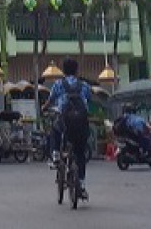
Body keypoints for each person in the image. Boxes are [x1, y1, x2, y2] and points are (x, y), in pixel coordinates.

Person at [44, 57, 91, 200]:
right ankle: (81, 185)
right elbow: (88, 101)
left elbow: (50, 101)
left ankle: (56, 155)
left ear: (63, 70)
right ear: (77, 70)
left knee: (55, 129)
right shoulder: (84, 86)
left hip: (65, 123)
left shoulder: (58, 84)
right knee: (80, 153)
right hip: (81, 124)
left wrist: (44, 108)